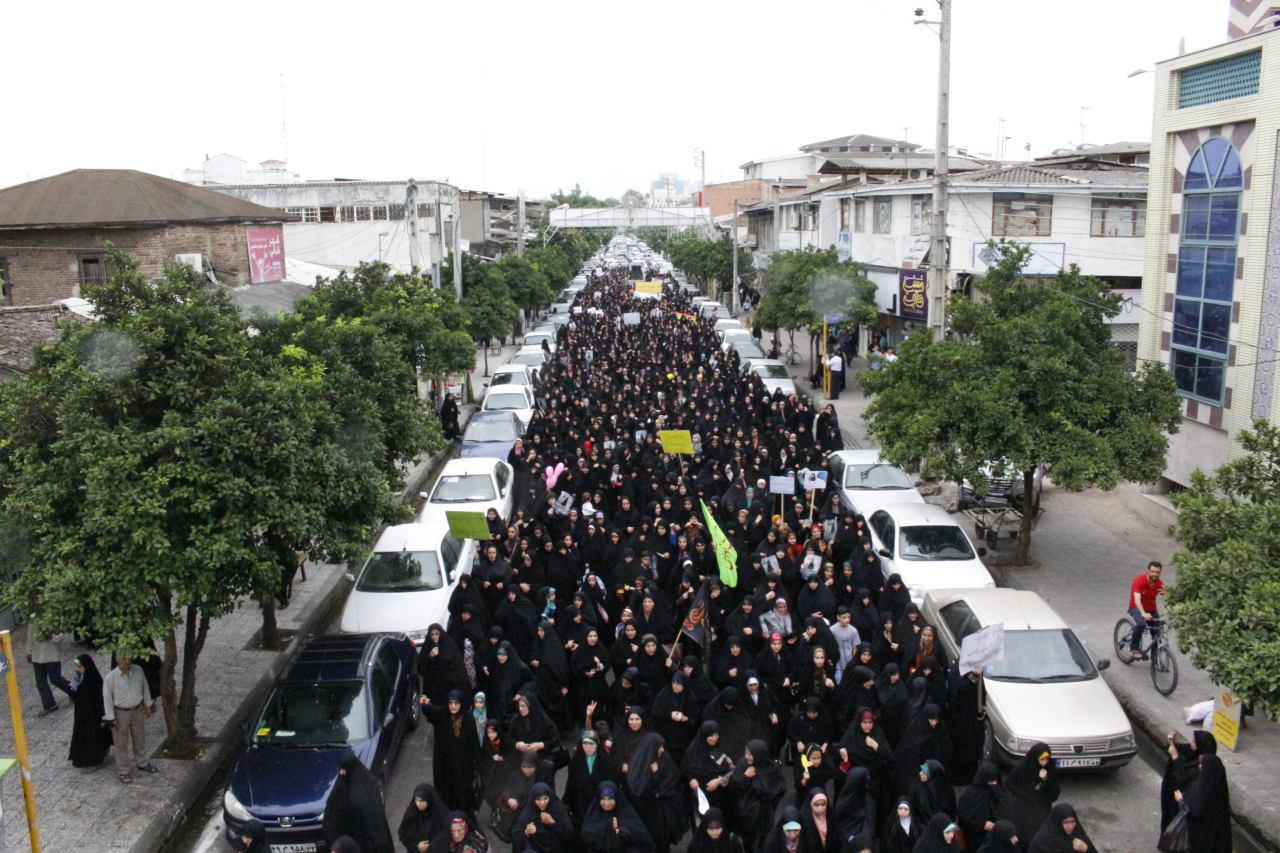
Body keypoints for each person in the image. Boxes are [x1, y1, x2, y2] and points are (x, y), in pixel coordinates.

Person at [322, 751, 395, 853]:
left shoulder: (368, 786)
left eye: (344, 768)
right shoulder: (343, 783)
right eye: (341, 768)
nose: (342, 772)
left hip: (367, 838)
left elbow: (375, 818)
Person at [102, 653, 157, 784]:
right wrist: (110, 717)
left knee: (139, 736)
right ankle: (123, 770)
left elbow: (145, 687)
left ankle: (142, 762)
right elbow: (107, 698)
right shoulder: (111, 678)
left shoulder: (138, 670)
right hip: (121, 713)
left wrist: (148, 704)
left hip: (137, 709)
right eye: (123, 658)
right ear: (117, 659)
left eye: (129, 657)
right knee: (121, 742)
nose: (127, 661)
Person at [421, 690, 480, 813]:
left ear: (461, 704)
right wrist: (424, 702)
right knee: (447, 791)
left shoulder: (468, 719)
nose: (453, 706)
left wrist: (477, 763)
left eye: (456, 703)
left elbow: (474, 741)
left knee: (462, 792)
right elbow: (431, 710)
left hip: (463, 765)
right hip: (445, 764)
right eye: (451, 703)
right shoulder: (443, 715)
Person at [997, 743, 1059, 849]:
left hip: (1041, 809)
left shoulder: (1050, 769)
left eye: (1047, 759)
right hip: (1023, 810)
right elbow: (1010, 787)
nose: (1044, 762)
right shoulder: (1023, 768)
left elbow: (1054, 794)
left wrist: (1046, 781)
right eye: (1041, 759)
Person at [1160, 730, 1213, 838]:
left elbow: (1183, 779)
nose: (1191, 742)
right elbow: (1181, 749)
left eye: (1194, 741)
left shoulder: (1203, 766)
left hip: (1183, 802)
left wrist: (1175, 757)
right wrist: (1172, 741)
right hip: (1175, 798)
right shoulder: (1195, 751)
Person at [1177, 751, 1233, 853]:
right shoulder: (1219, 790)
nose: (1199, 767)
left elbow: (1195, 811)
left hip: (1203, 840)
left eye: (1201, 765)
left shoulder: (1204, 790)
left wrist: (1181, 800)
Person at [579, 781, 656, 853]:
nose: (606, 803)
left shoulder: (626, 813)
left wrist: (620, 831)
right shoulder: (594, 815)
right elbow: (586, 835)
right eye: (603, 799)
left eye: (610, 799)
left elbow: (643, 838)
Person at [67, 653, 112, 769]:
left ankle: (95, 759)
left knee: (95, 737)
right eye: (77, 667)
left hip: (94, 715)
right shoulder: (78, 678)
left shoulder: (94, 680)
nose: (77, 669)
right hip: (82, 714)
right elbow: (73, 693)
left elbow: (99, 699)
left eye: (80, 667)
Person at [513, 782, 575, 852]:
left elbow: (568, 834)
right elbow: (516, 836)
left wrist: (552, 823)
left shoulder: (558, 809)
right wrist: (526, 832)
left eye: (545, 798)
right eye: (538, 799)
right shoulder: (528, 813)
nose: (542, 803)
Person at [957, 762, 1005, 848]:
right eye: (991, 781)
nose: (994, 784)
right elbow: (964, 816)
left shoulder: (998, 791)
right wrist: (981, 824)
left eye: (996, 780)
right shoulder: (970, 795)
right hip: (975, 839)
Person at [27, 628, 73, 715]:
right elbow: (30, 636)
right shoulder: (33, 618)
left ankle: (73, 691)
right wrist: (29, 652)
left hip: (51, 656)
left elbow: (60, 636)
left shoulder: (52, 618)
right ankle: (49, 704)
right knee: (40, 682)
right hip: (37, 657)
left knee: (55, 679)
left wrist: (51, 636)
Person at [1127, 560, 1165, 659]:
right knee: (1141, 624)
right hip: (1136, 608)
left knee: (1158, 632)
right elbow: (1137, 599)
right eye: (1152, 571)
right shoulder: (1139, 580)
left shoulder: (1159, 584)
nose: (1155, 574)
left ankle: (1155, 656)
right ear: (1148, 571)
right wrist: (1143, 613)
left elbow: (1168, 597)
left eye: (1157, 572)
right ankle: (1134, 648)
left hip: (1152, 610)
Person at [398, 784, 450, 853]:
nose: (418, 804)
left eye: (422, 801)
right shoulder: (412, 813)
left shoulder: (440, 813)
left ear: (429, 800)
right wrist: (417, 846)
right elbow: (403, 835)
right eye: (416, 800)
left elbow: (448, 832)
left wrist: (432, 846)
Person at [1026, 803, 1096, 853]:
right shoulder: (1044, 841)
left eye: (1072, 821)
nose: (1070, 826)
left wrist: (1086, 849)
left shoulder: (1077, 833)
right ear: (1058, 823)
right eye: (1066, 823)